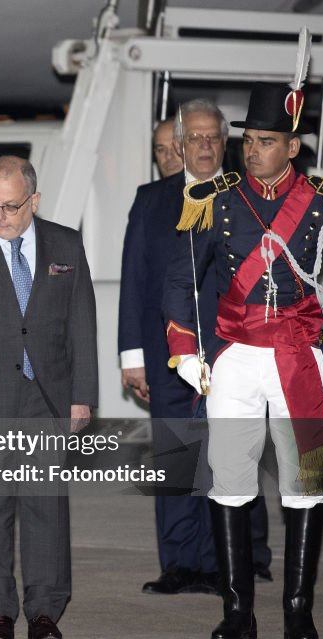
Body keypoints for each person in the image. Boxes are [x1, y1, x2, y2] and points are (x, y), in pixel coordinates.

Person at [164, 82, 323, 639]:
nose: (251, 150)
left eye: (265, 141)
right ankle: (237, 611)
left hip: (301, 358)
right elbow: (182, 278)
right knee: (229, 480)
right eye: (249, 140)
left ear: (293, 146)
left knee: (307, 481)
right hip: (234, 358)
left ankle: (299, 612)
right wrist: (184, 350)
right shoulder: (218, 198)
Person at [0, 155, 97, 639]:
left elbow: (82, 326)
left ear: (33, 201)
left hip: (47, 398)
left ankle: (46, 610)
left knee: (45, 508)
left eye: (10, 207)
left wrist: (83, 397)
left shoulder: (66, 245)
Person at [119, 100, 227, 595]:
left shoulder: (248, 198)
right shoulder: (151, 199)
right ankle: (180, 564)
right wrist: (132, 356)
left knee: (224, 460)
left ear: (224, 143)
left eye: (213, 137)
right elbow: (134, 281)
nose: (204, 146)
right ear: (179, 146)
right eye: (196, 138)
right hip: (167, 357)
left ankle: (220, 562)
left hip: (231, 353)